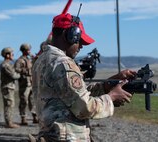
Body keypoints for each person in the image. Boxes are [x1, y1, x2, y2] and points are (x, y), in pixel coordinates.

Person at [31, 12, 136, 142]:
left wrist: (107, 85)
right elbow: (84, 107)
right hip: (67, 137)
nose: (81, 46)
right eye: (79, 40)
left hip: (51, 134)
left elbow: (71, 94)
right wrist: (112, 97)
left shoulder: (42, 60)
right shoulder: (63, 63)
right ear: (68, 35)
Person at [14, 43, 38, 125]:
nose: (29, 51)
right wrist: (26, 70)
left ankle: (35, 116)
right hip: (24, 83)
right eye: (28, 50)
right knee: (24, 100)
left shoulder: (29, 59)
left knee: (33, 100)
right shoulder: (20, 60)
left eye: (29, 50)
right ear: (23, 51)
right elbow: (16, 69)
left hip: (31, 82)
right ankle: (23, 118)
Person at [0, 47, 20, 128]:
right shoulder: (6, 65)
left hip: (9, 87)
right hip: (7, 87)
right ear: (7, 55)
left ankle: (10, 121)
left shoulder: (8, 64)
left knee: (10, 104)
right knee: (9, 105)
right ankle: (9, 123)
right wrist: (20, 75)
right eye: (12, 53)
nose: (13, 55)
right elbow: (14, 75)